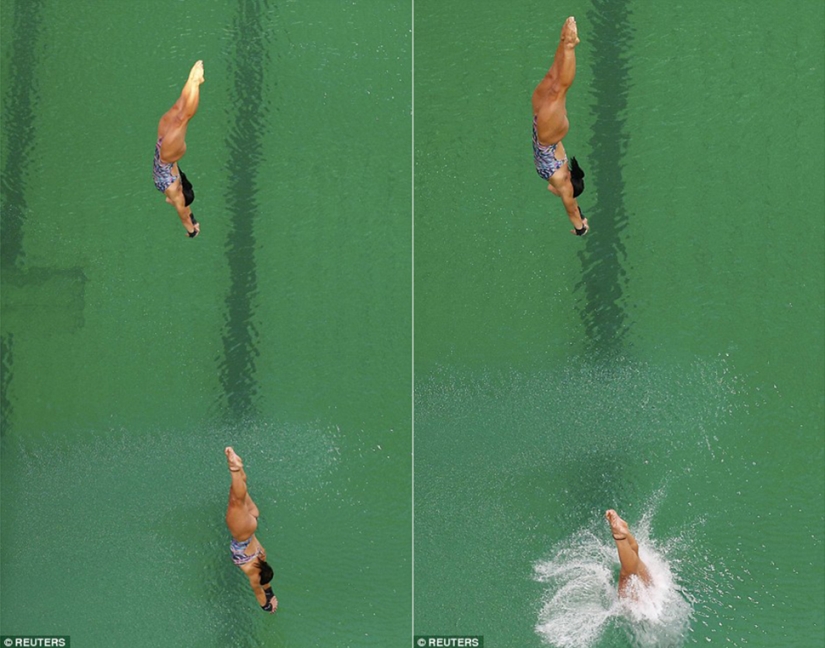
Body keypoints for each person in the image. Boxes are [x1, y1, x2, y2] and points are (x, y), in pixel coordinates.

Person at [531, 17, 589, 236]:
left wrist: (582, 213)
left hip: (541, 125)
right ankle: (569, 45)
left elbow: (552, 189)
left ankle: (563, 39)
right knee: (559, 90)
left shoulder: (559, 181)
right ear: (570, 187)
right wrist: (581, 228)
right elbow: (571, 208)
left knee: (552, 77)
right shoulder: (564, 185)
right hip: (547, 134)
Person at [153, 61, 204, 237]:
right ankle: (194, 82)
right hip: (166, 154)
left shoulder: (176, 195)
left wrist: (193, 223)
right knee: (182, 116)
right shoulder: (175, 196)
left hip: (162, 146)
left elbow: (184, 210)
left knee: (179, 110)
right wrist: (192, 231)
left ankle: (193, 81)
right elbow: (183, 214)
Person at [225, 447, 278, 613]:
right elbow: (257, 590)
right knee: (236, 502)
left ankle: (238, 469)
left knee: (238, 492)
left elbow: (265, 582)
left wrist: (270, 592)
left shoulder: (262, 556)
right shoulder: (252, 572)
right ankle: (234, 467)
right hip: (242, 532)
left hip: (251, 522)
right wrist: (267, 606)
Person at [605, 509, 652, 597]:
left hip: (650, 597)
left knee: (631, 571)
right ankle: (621, 534)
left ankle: (621, 534)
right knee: (630, 572)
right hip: (651, 598)